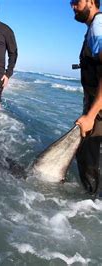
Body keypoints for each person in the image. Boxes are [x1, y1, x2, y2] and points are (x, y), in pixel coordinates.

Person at [71, 0, 101, 196]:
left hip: (98, 107)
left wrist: (91, 115)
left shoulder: (98, 27)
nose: (73, 6)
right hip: (94, 103)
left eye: (77, 1)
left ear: (91, 1)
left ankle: (90, 207)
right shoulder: (94, 28)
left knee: (89, 158)